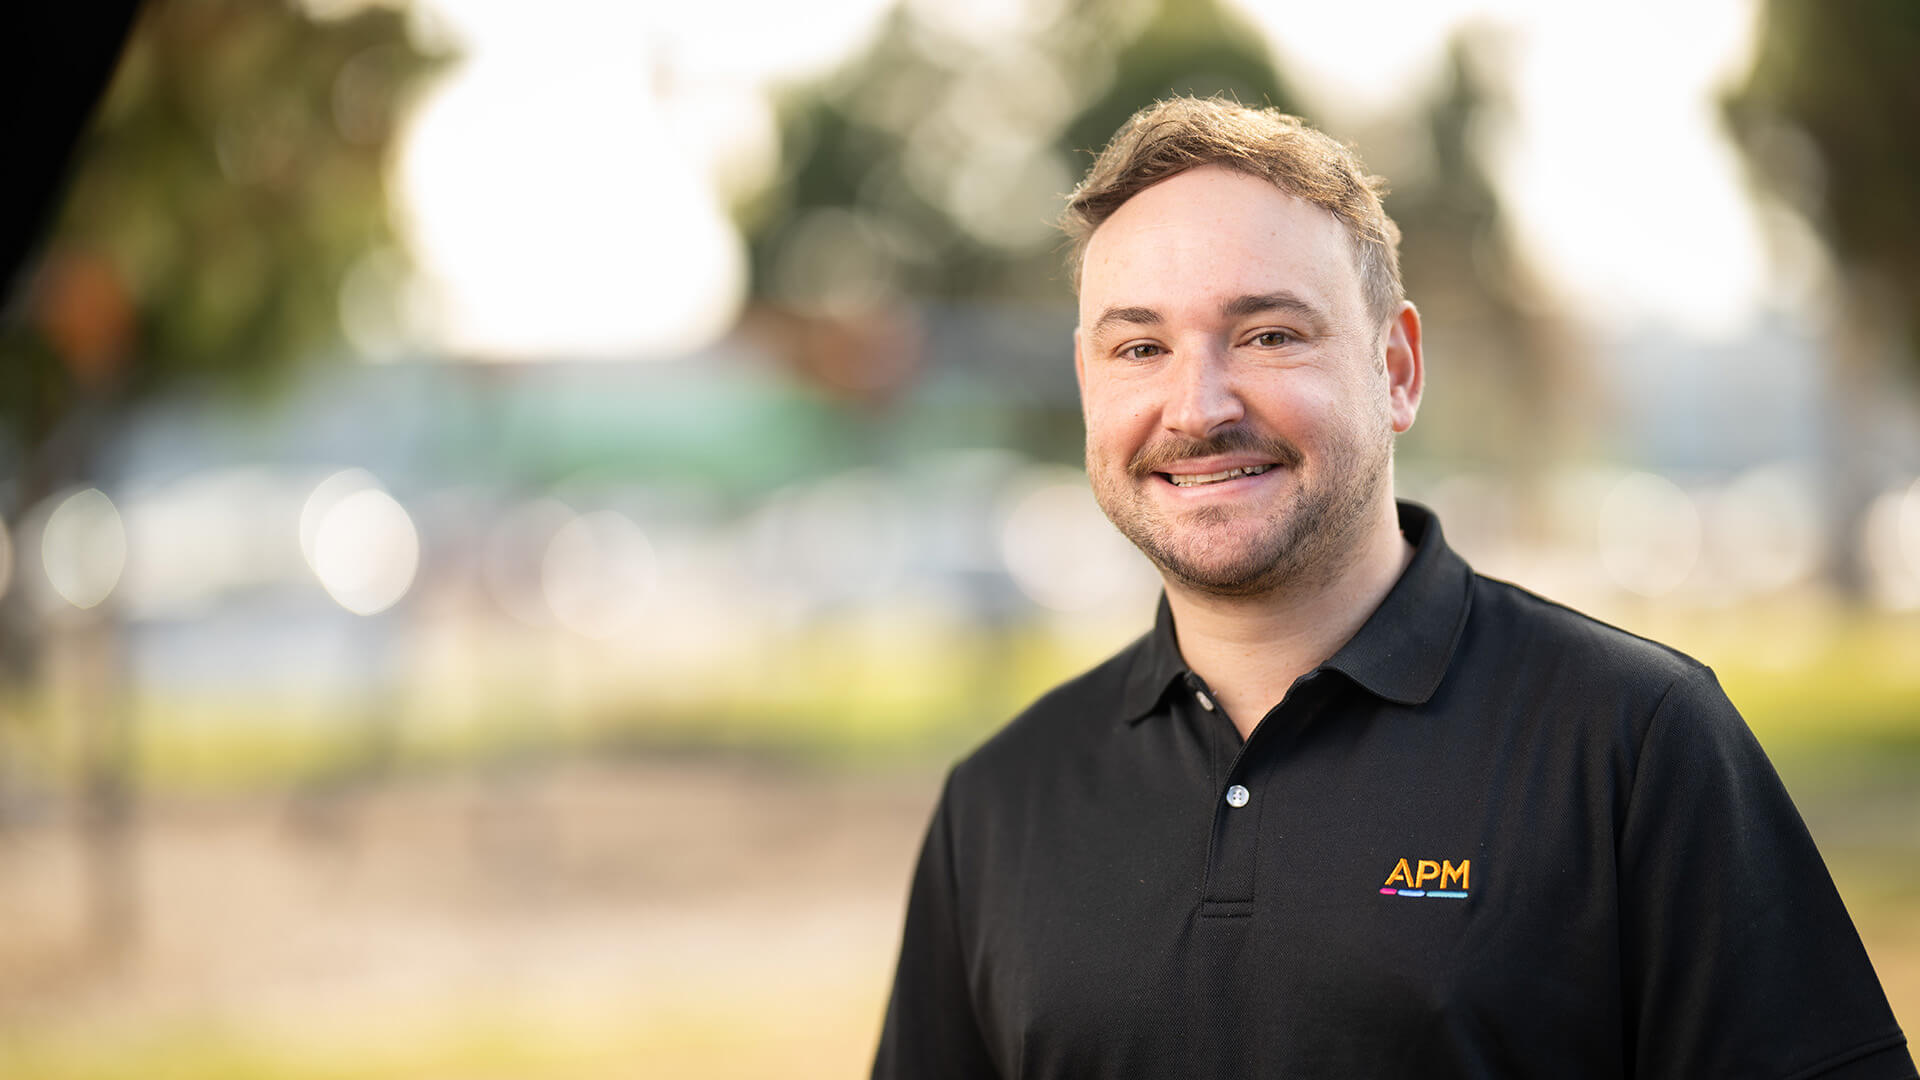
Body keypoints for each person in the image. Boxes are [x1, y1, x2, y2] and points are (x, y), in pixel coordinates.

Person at [871, 97, 1915, 1079]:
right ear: (1090, 382)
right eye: (1140, 347)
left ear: (1398, 368)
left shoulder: (1635, 744)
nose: (1197, 406)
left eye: (1269, 334)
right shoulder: (998, 803)